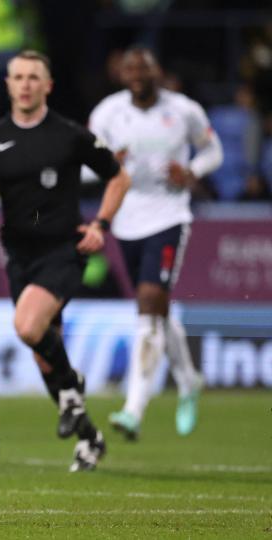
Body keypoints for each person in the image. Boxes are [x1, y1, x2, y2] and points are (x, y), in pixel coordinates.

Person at [0, 50, 131, 472]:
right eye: (17, 76)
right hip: (19, 255)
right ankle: (89, 438)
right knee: (43, 354)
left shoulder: (70, 135)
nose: (25, 84)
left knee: (27, 326)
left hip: (64, 250)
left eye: (33, 77)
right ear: (8, 84)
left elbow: (119, 176)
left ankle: (72, 389)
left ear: (48, 85)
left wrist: (102, 225)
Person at [88, 47, 221, 440]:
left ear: (156, 72)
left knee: (148, 306)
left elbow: (213, 150)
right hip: (126, 220)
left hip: (169, 217)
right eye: (131, 69)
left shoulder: (184, 110)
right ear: (122, 74)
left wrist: (192, 171)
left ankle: (133, 409)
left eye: (145, 68)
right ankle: (189, 379)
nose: (138, 75)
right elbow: (82, 165)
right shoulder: (107, 114)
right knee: (157, 310)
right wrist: (106, 162)